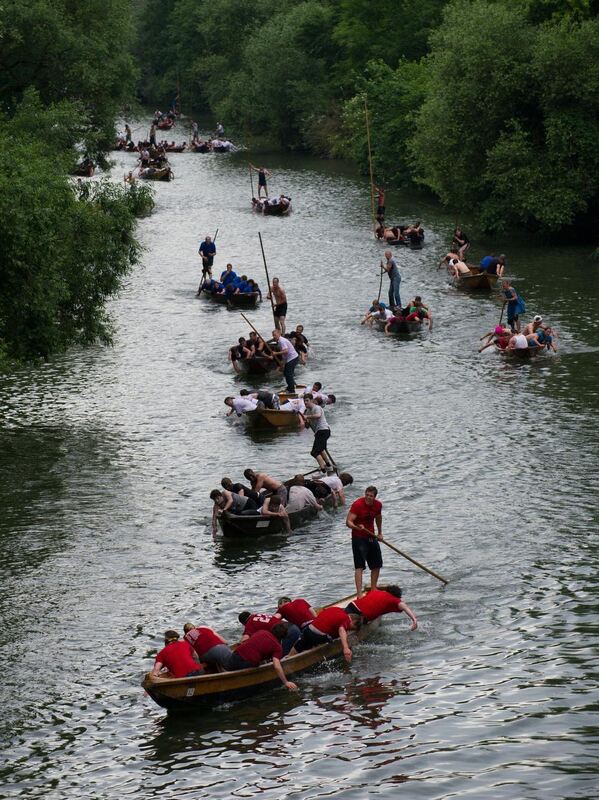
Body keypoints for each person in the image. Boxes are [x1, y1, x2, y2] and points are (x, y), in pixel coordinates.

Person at [225, 624, 298, 691]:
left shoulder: (261, 632)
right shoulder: (278, 647)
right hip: (248, 662)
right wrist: (286, 682)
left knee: (229, 671)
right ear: (284, 637)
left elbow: (254, 645)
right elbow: (277, 666)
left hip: (236, 654)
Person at [346, 486, 383, 597]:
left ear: (374, 497)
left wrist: (380, 533)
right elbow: (348, 522)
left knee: (377, 564)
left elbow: (378, 517)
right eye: (367, 495)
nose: (368, 497)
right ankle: (359, 594)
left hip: (371, 536)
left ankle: (373, 589)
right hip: (358, 538)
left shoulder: (378, 505)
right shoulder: (357, 504)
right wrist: (356, 527)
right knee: (359, 566)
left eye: (371, 496)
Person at [289, 607, 361, 663]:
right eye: (351, 628)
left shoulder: (336, 609)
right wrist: (346, 648)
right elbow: (341, 630)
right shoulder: (346, 619)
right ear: (353, 621)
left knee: (299, 646)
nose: (349, 630)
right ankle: (312, 651)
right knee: (335, 637)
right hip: (318, 636)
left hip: (308, 629)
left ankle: (288, 657)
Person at [344, 585, 418, 630]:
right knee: (346, 626)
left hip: (352, 605)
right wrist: (414, 619)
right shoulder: (393, 599)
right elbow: (404, 606)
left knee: (343, 620)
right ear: (396, 596)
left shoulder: (375, 592)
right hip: (360, 615)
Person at [303, 393, 333, 472]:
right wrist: (306, 421)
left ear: (311, 400)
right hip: (318, 432)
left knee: (314, 452)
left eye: (307, 400)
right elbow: (307, 426)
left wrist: (307, 417)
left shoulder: (317, 408)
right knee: (321, 449)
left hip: (324, 430)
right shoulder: (307, 411)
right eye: (304, 401)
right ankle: (329, 466)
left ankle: (323, 470)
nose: (305, 402)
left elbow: (318, 415)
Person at [272, 328, 298, 393]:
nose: (274, 337)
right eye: (273, 335)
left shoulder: (282, 341)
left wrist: (276, 353)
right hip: (290, 358)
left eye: (275, 335)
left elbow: (286, 351)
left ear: (279, 334)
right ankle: (291, 386)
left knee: (288, 374)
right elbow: (284, 354)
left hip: (293, 358)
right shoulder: (280, 341)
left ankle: (291, 390)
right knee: (286, 373)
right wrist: (283, 362)